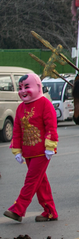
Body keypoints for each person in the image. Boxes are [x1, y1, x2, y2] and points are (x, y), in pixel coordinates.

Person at [4, 73, 58, 222]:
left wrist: (50, 146)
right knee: (40, 182)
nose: (23, 91)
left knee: (31, 181)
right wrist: (17, 150)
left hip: (42, 152)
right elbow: (17, 130)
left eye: (26, 87)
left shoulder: (45, 104)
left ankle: (18, 209)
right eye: (21, 88)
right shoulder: (21, 107)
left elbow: (51, 126)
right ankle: (50, 211)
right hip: (28, 152)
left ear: (38, 87)